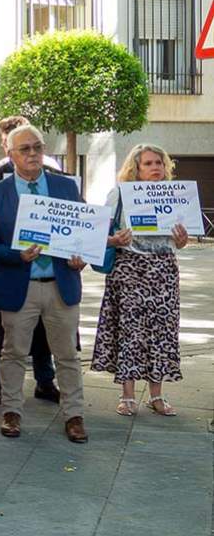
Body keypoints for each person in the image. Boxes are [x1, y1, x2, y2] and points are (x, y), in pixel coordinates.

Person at [0, 124, 88, 443]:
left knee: (67, 354)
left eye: (37, 147)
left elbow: (83, 232)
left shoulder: (66, 187)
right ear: (10, 154)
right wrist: (17, 256)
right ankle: (12, 411)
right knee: (12, 352)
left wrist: (80, 256)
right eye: (25, 149)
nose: (32, 154)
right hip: (19, 285)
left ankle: (74, 414)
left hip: (60, 283)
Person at [92, 144, 188, 417]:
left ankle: (157, 395)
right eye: (148, 163)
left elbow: (180, 240)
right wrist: (113, 239)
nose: (155, 167)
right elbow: (99, 231)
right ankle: (128, 396)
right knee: (130, 332)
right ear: (136, 168)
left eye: (159, 162)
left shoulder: (175, 195)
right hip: (129, 268)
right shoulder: (119, 194)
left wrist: (182, 241)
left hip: (164, 269)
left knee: (162, 332)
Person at [0, 115, 61, 406]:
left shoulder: (55, 178)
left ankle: (45, 379)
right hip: (9, 271)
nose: (30, 153)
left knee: (45, 330)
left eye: (34, 145)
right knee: (4, 333)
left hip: (49, 272)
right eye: (19, 145)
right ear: (6, 147)